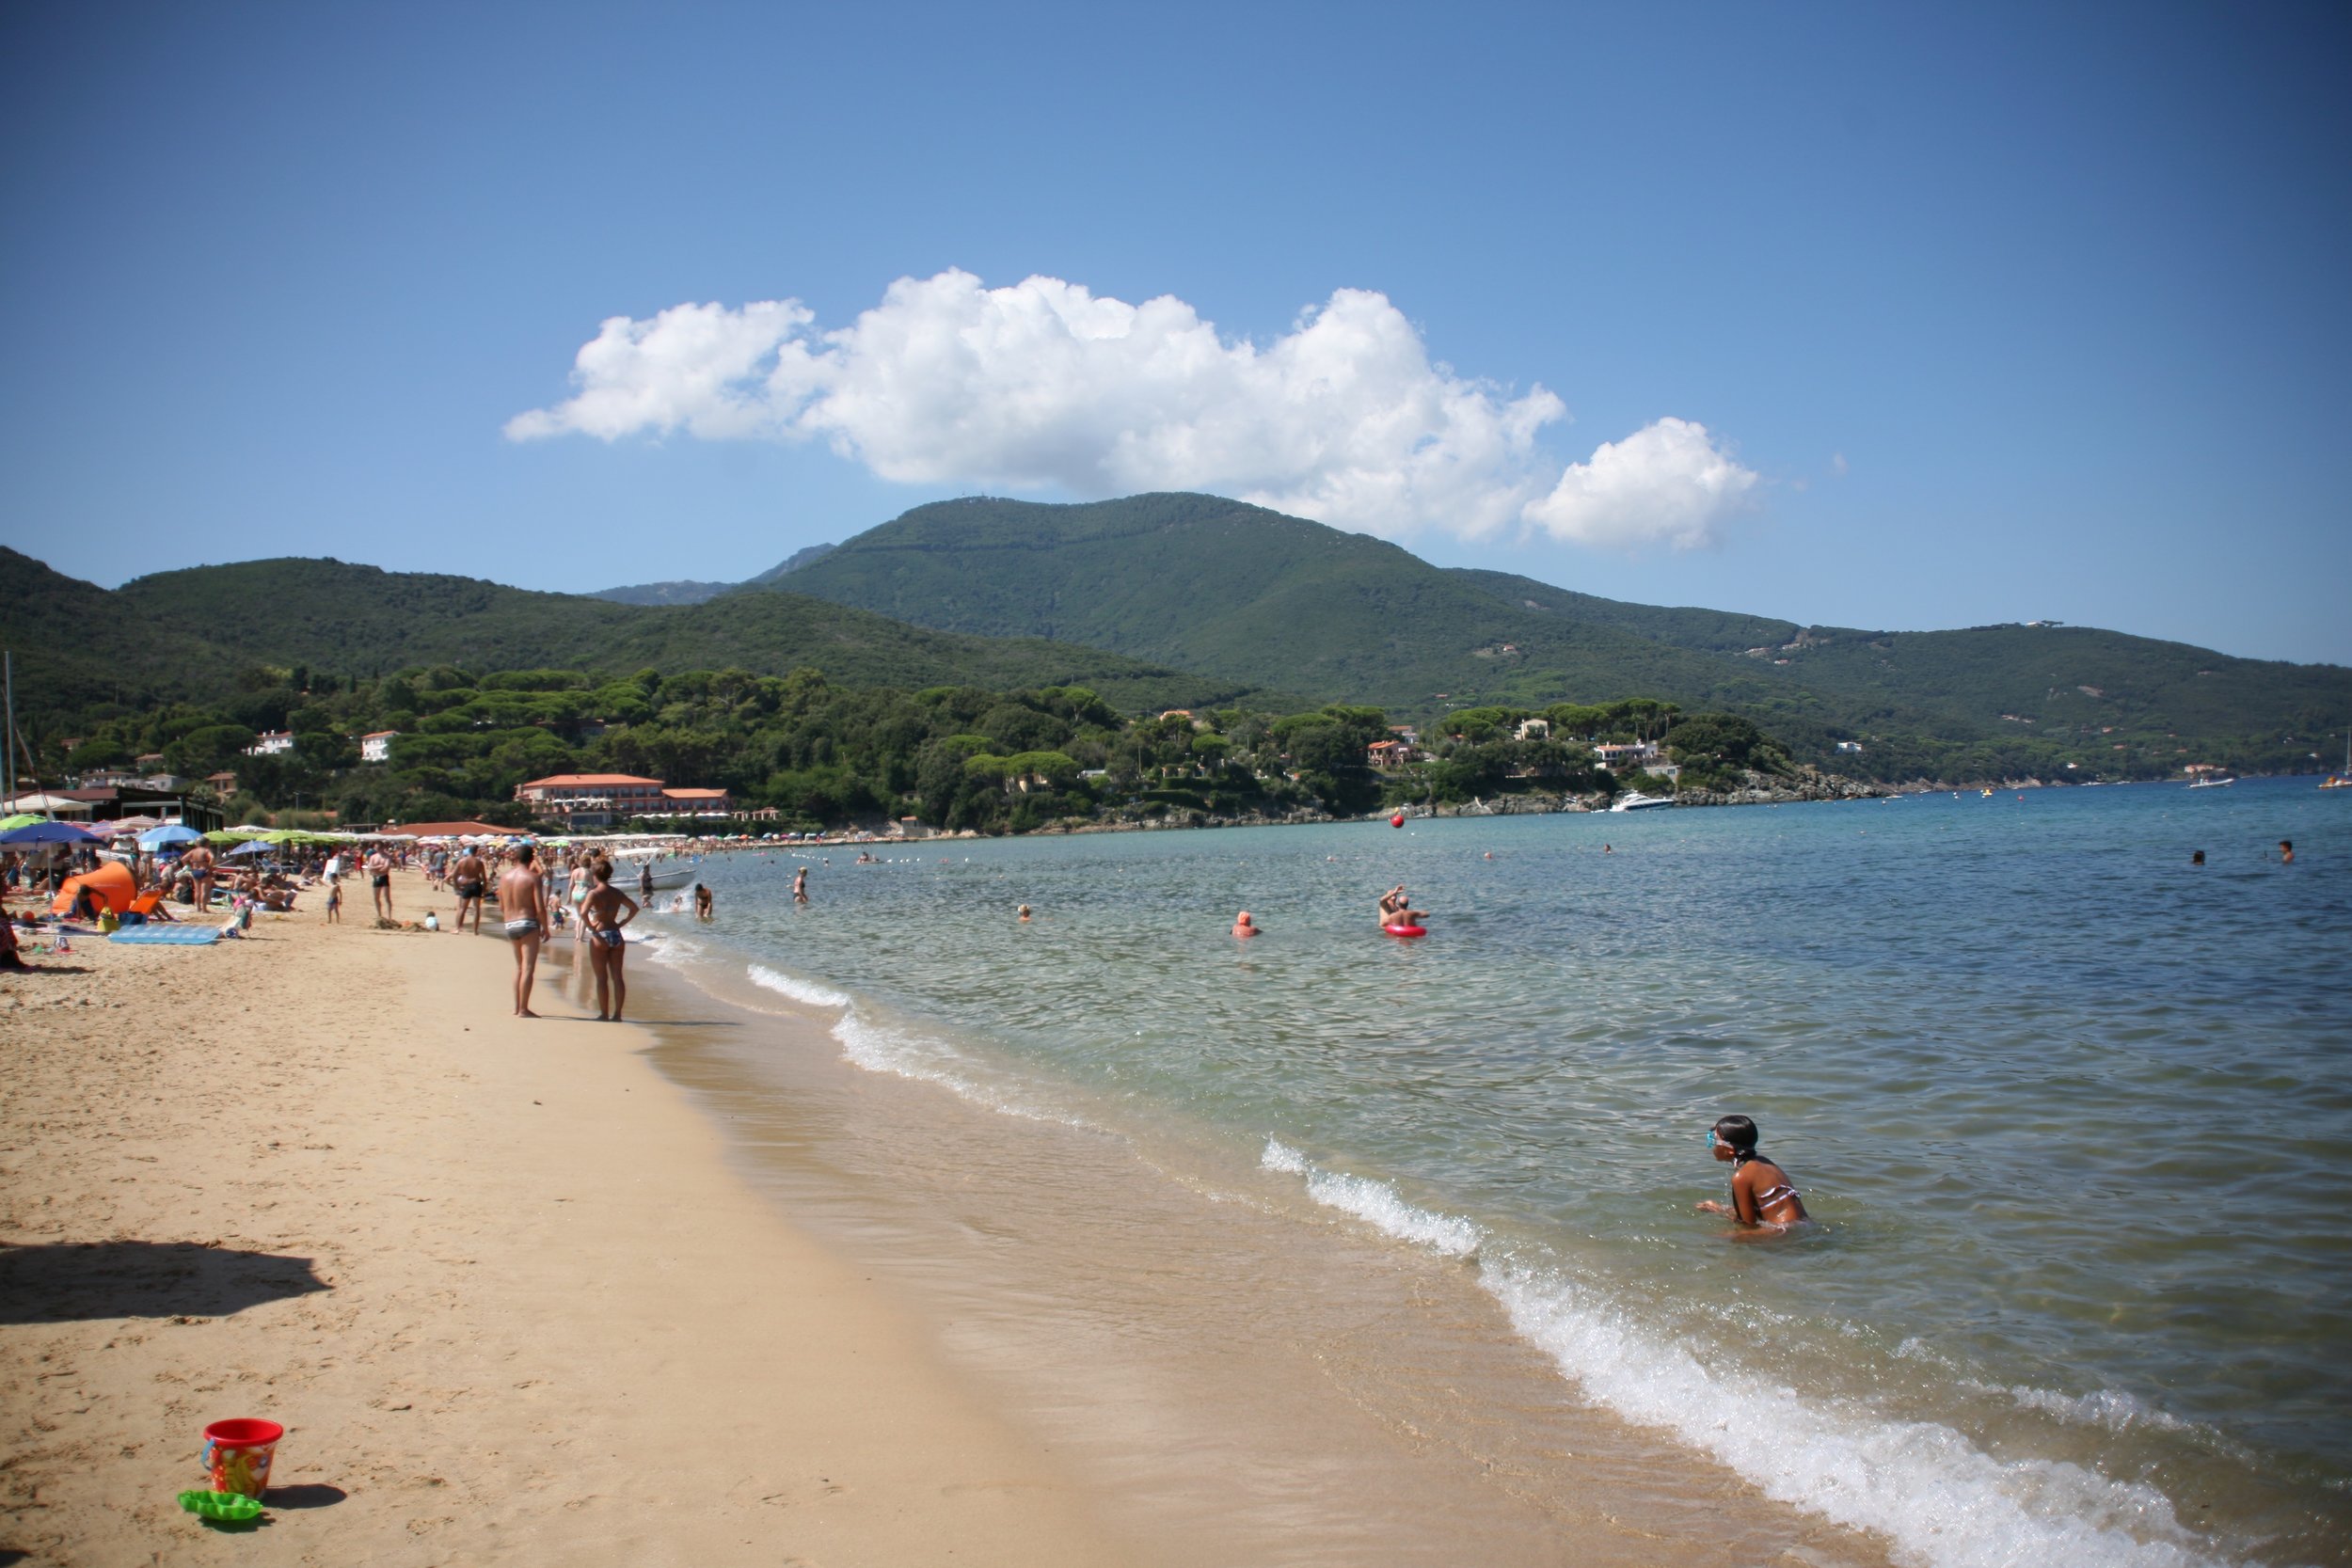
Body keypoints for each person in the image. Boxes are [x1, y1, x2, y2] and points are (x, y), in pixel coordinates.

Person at [1695, 1115, 1810, 1230]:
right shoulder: (1764, 1162)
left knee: (1717, 1240)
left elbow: (1747, 1224)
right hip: (1803, 1225)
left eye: (1714, 1141)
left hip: (1783, 1233)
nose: (1712, 1147)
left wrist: (1719, 1213)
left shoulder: (1741, 1176)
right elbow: (1758, 1211)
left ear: (1729, 1151)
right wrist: (1720, 1209)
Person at [579, 857, 640, 1022]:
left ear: (595, 875)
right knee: (618, 977)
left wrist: (591, 928)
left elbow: (583, 913)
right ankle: (618, 1014)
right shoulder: (617, 892)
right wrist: (621, 923)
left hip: (601, 934)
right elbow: (634, 908)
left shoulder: (594, 893)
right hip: (616, 934)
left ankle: (604, 1014)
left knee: (601, 978)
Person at [497, 844, 549, 1018]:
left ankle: (516, 1007)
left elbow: (502, 906)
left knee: (519, 967)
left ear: (516, 858)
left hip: (510, 923)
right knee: (528, 968)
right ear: (531, 859)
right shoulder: (533, 878)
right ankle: (524, 1009)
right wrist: (546, 928)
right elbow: (540, 907)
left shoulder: (504, 878)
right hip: (527, 922)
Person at [450, 846, 488, 934]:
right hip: (476, 885)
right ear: (476, 852)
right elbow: (484, 878)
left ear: (468, 851)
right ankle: (475, 930)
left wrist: (456, 886)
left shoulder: (462, 861)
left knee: (462, 908)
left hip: (466, 884)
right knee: (476, 909)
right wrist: (484, 889)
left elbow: (454, 875)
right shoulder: (479, 863)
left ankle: (457, 929)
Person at [184, 840, 216, 912]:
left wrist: (190, 866)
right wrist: (209, 868)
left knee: (197, 891)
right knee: (204, 891)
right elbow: (212, 857)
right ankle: (204, 909)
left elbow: (184, 859)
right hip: (204, 870)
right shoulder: (206, 850)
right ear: (206, 843)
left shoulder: (193, 851)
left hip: (195, 871)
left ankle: (198, 908)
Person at [365, 846, 393, 919]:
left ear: (382, 848)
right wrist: (379, 866)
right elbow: (369, 868)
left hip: (384, 877)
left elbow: (386, 868)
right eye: (376, 848)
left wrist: (375, 868)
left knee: (387, 898)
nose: (377, 849)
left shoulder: (387, 856)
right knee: (376, 898)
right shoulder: (373, 857)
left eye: (379, 848)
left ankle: (389, 916)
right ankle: (379, 915)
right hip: (376, 877)